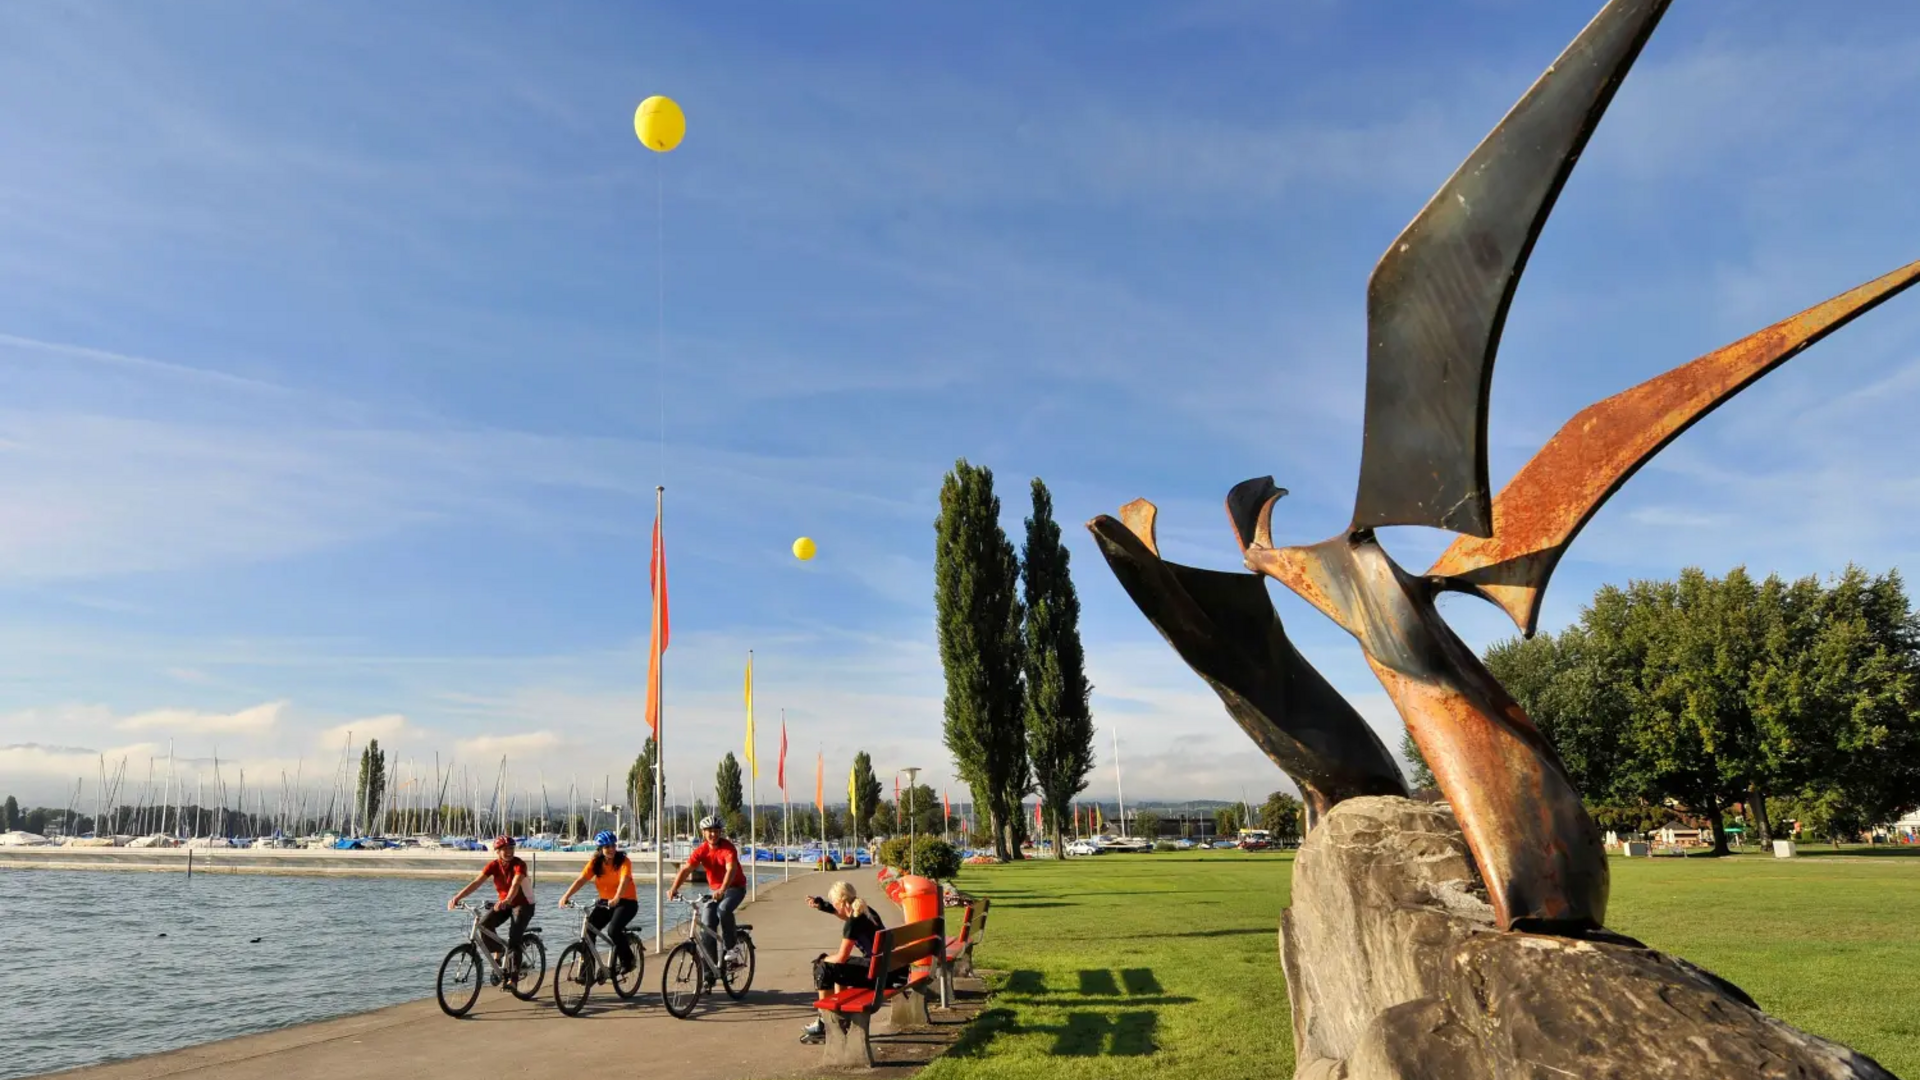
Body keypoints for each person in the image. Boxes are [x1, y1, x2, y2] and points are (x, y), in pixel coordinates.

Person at [797, 880, 890, 1044]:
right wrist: (823, 906)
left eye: (834, 903)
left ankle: (825, 1023)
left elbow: (842, 957)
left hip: (878, 975)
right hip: (888, 969)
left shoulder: (853, 922)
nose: (833, 907)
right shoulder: (866, 911)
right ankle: (838, 1018)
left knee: (823, 968)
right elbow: (842, 913)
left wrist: (822, 960)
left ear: (841, 902)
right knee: (836, 969)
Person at [449, 835, 536, 982]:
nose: (509, 851)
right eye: (505, 849)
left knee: (514, 939)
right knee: (484, 925)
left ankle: (513, 980)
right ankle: (501, 951)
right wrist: (457, 897)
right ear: (497, 851)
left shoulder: (519, 864)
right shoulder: (493, 866)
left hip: (524, 904)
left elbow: (515, 884)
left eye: (511, 848)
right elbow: (477, 882)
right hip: (505, 903)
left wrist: (507, 899)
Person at [667, 815, 747, 971]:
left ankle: (732, 949)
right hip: (714, 891)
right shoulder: (701, 850)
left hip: (735, 887)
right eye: (709, 831)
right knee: (706, 928)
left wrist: (723, 889)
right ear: (703, 832)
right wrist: (674, 889)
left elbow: (731, 869)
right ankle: (709, 974)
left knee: (723, 910)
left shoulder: (728, 848)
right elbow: (686, 869)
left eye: (716, 831)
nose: (713, 834)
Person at [558, 830, 639, 975]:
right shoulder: (596, 863)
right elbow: (581, 879)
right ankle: (587, 972)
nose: (611, 849)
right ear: (600, 849)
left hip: (627, 902)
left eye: (613, 845)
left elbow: (624, 880)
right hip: (606, 903)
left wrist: (617, 898)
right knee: (589, 931)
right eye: (607, 847)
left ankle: (628, 961)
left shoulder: (623, 861)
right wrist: (566, 896)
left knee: (613, 931)